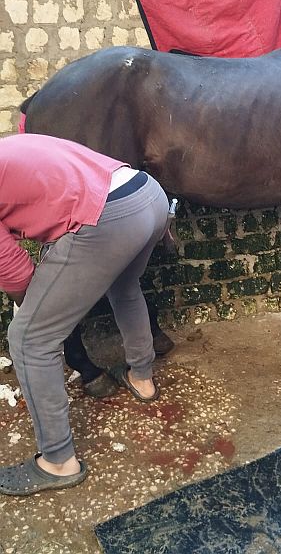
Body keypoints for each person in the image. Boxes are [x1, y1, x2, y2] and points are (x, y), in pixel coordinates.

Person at [0, 133, 170, 495]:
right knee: (124, 288)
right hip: (147, 195)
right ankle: (142, 378)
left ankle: (59, 462)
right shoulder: (10, 147)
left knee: (28, 339)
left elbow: (15, 273)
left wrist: (34, 314)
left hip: (109, 217)